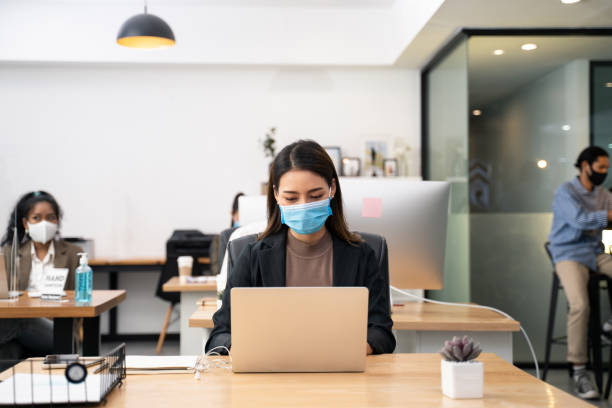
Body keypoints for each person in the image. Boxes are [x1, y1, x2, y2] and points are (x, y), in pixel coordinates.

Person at [206, 140, 395, 355]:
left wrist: (351, 350)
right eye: (291, 198)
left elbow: (382, 333)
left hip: (342, 376)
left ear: (332, 188)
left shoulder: (362, 255)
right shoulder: (252, 256)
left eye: (315, 196)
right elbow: (219, 335)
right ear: (276, 195)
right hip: (270, 377)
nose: (303, 205)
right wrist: (248, 348)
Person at [549, 146, 612, 400]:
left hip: (595, 251)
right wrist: (607, 216)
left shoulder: (603, 194)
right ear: (585, 166)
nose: (604, 172)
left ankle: (609, 324)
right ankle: (579, 371)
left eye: (607, 168)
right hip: (567, 253)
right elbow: (580, 221)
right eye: (600, 168)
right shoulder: (565, 192)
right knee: (580, 305)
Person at [0, 191, 81, 357]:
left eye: (50, 217)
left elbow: (82, 301)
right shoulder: (10, 253)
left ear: (57, 221)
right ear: (26, 223)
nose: (44, 223)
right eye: (36, 218)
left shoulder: (74, 253)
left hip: (58, 329)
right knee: (8, 351)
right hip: (17, 332)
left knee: (20, 318)